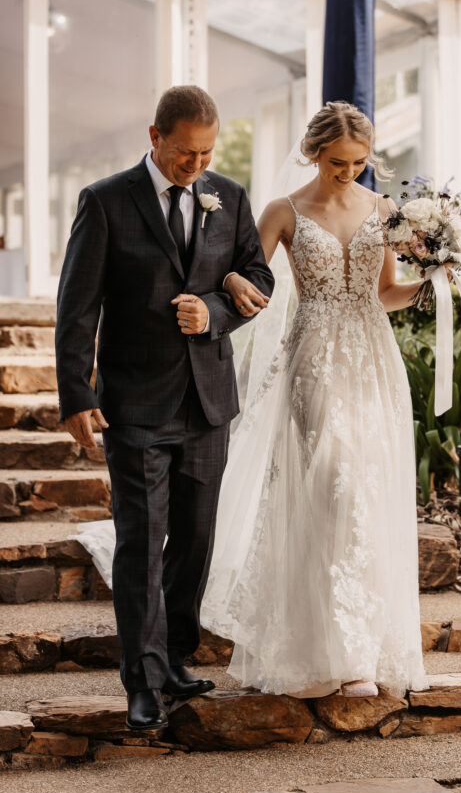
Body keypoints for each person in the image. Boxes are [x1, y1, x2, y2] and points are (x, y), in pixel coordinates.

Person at [77, 101, 429, 700]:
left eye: (360, 164)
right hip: (313, 356)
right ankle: (319, 648)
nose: (349, 173)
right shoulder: (279, 209)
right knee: (334, 480)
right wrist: (233, 288)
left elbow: (388, 292)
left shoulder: (385, 210)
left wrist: (437, 280)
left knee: (366, 491)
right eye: (338, 162)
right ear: (314, 152)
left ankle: (356, 645)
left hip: (372, 361)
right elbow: (244, 274)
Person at [55, 85, 274, 730]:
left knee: (196, 539)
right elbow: (77, 307)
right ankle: (143, 680)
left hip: (208, 400)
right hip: (137, 404)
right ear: (155, 137)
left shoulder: (228, 196)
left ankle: (175, 656)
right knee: (142, 542)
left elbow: (258, 277)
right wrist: (76, 395)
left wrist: (219, 307)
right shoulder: (105, 201)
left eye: (206, 153)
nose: (196, 166)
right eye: (185, 153)